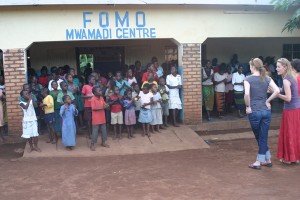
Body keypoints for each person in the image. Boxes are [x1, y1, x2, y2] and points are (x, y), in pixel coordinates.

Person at [244, 58, 279, 170]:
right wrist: (267, 101)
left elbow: (246, 94)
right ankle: (267, 159)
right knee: (263, 136)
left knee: (260, 137)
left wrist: (248, 106)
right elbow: (277, 91)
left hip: (254, 111)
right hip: (266, 111)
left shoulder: (248, 78)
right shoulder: (267, 78)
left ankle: (259, 161)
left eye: (250, 66)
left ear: (253, 67)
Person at [276, 58, 300, 164]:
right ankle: (296, 157)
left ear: (285, 67)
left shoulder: (286, 79)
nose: (276, 69)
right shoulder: (292, 77)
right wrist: (276, 90)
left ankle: (289, 158)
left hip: (290, 110)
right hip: (296, 108)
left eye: (278, 67)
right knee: (295, 132)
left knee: (289, 132)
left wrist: (277, 94)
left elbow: (288, 98)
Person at [90, 86, 110, 151]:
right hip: (96, 119)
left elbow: (104, 105)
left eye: (100, 90)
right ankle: (92, 144)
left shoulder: (101, 98)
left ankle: (103, 142)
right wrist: (103, 107)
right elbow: (94, 108)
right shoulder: (93, 99)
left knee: (104, 131)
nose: (101, 91)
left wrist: (107, 105)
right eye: (99, 90)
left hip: (102, 118)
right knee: (95, 132)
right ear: (94, 93)